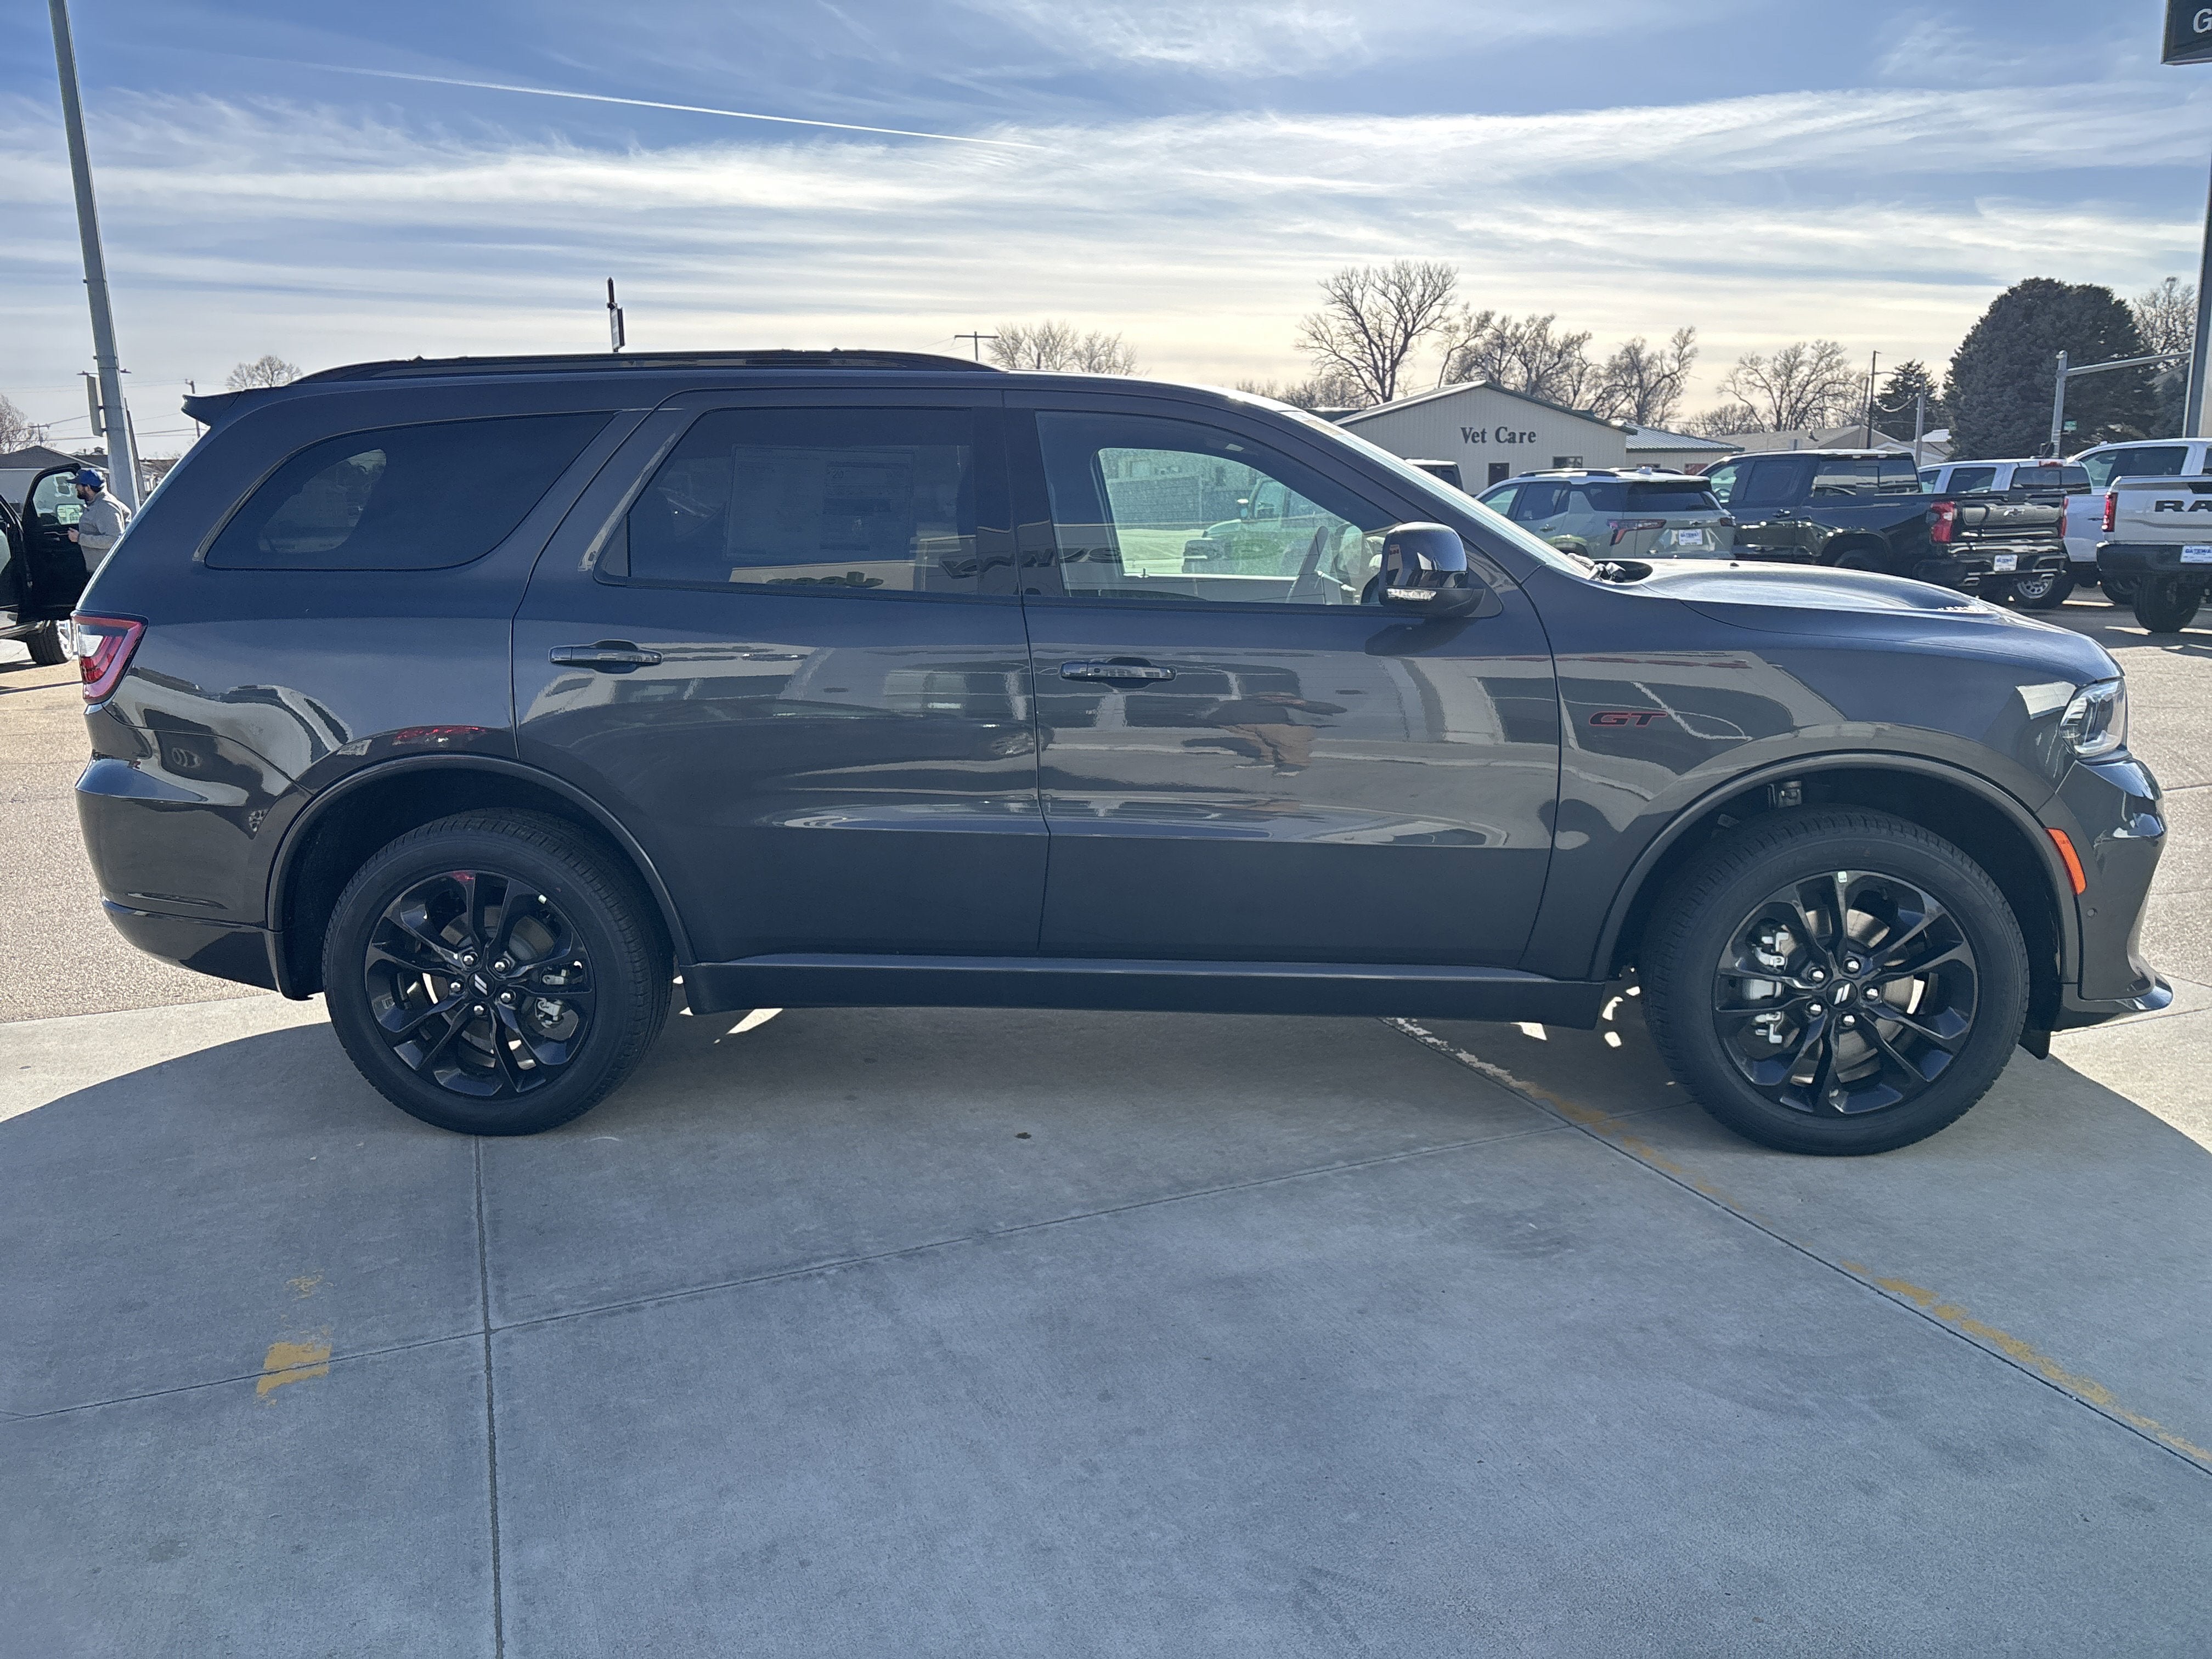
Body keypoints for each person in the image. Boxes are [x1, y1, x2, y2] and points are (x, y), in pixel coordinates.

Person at [67, 467, 132, 571]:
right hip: (104, 570)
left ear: (87, 487)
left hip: (107, 571)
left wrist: (79, 538)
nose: (76, 488)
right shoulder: (100, 502)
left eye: (78, 485)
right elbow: (127, 513)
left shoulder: (104, 505)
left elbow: (114, 540)